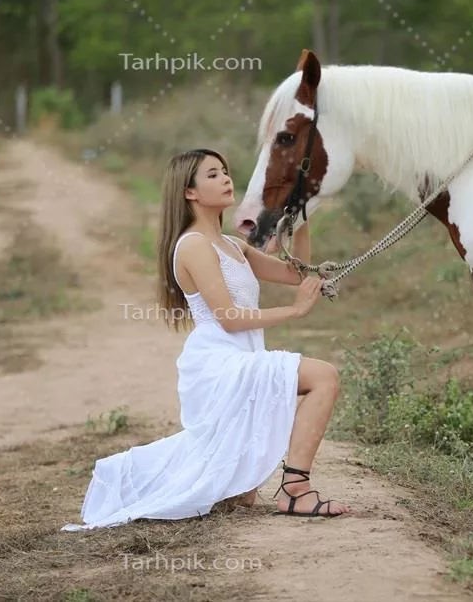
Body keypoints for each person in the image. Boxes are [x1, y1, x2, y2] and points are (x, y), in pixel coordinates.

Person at [62, 148, 348, 531]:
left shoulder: (232, 244)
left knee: (235, 493)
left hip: (241, 356)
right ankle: (296, 488)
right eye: (212, 175)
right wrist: (295, 312)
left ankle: (247, 488)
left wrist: (302, 218)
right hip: (219, 364)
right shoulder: (193, 245)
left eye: (225, 172)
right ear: (190, 192)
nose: (226, 179)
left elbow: (299, 275)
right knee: (323, 376)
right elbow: (229, 318)